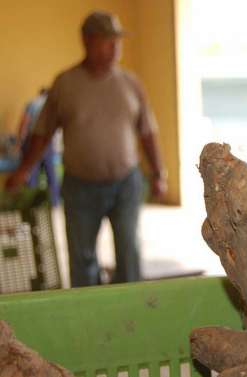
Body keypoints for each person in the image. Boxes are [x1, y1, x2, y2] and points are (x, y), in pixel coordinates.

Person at [6, 11, 167, 287]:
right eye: (107, 40)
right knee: (82, 259)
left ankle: (132, 311)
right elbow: (42, 132)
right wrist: (23, 170)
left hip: (126, 183)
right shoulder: (66, 84)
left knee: (129, 253)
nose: (115, 47)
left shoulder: (131, 83)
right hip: (81, 187)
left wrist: (158, 173)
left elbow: (147, 131)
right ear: (87, 41)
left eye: (118, 40)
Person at [16, 88, 60, 206]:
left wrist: (19, 142)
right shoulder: (53, 106)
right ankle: (55, 203)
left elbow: (24, 123)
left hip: (33, 141)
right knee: (51, 174)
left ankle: (31, 204)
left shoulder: (32, 104)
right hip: (48, 142)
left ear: (40, 93)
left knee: (31, 174)